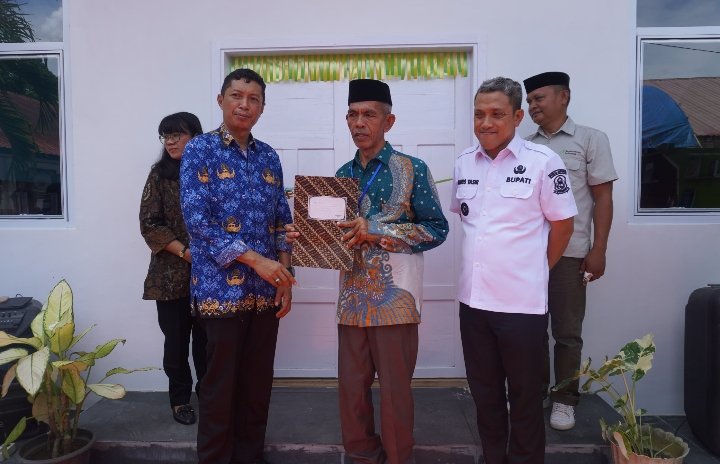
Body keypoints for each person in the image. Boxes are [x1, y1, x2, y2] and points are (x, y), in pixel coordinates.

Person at [286, 79, 448, 464]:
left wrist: (379, 231)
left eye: (369, 115)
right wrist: (304, 234)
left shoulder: (412, 169)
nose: (359, 122)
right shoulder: (342, 174)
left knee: (395, 390)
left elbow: (436, 229)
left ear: (388, 121)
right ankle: (361, 456)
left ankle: (397, 458)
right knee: (351, 388)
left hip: (396, 301)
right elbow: (331, 237)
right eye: (353, 115)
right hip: (351, 299)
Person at [451, 76, 577, 464]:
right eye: (479, 114)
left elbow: (563, 225)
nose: (486, 123)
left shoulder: (543, 162)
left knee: (525, 401)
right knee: (486, 398)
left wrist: (536, 269)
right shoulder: (464, 163)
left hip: (521, 307)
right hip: (473, 305)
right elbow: (470, 223)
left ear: (518, 117)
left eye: (497, 114)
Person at [179, 68, 295, 464]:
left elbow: (282, 222)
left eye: (253, 99)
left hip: (265, 294)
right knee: (219, 389)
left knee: (256, 388)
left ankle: (250, 457)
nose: (245, 105)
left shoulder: (269, 157)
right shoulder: (200, 151)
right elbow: (198, 223)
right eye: (237, 96)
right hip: (220, 294)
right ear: (221, 100)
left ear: (262, 108)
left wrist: (284, 277)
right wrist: (257, 261)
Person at [524, 71, 618, 431]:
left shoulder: (591, 139)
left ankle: (564, 400)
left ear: (563, 96)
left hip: (571, 252)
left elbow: (603, 197)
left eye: (539, 98)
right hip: (529, 254)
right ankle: (533, 393)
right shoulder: (524, 145)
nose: (533, 106)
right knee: (530, 330)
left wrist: (599, 249)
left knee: (566, 333)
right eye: (529, 101)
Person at [140, 111, 207, 426]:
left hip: (210, 276)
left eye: (177, 134)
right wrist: (185, 252)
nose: (170, 141)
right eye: (166, 135)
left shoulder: (210, 172)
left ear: (195, 136)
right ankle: (180, 400)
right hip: (169, 277)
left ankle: (210, 397)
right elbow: (149, 223)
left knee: (208, 343)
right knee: (176, 343)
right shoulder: (159, 175)